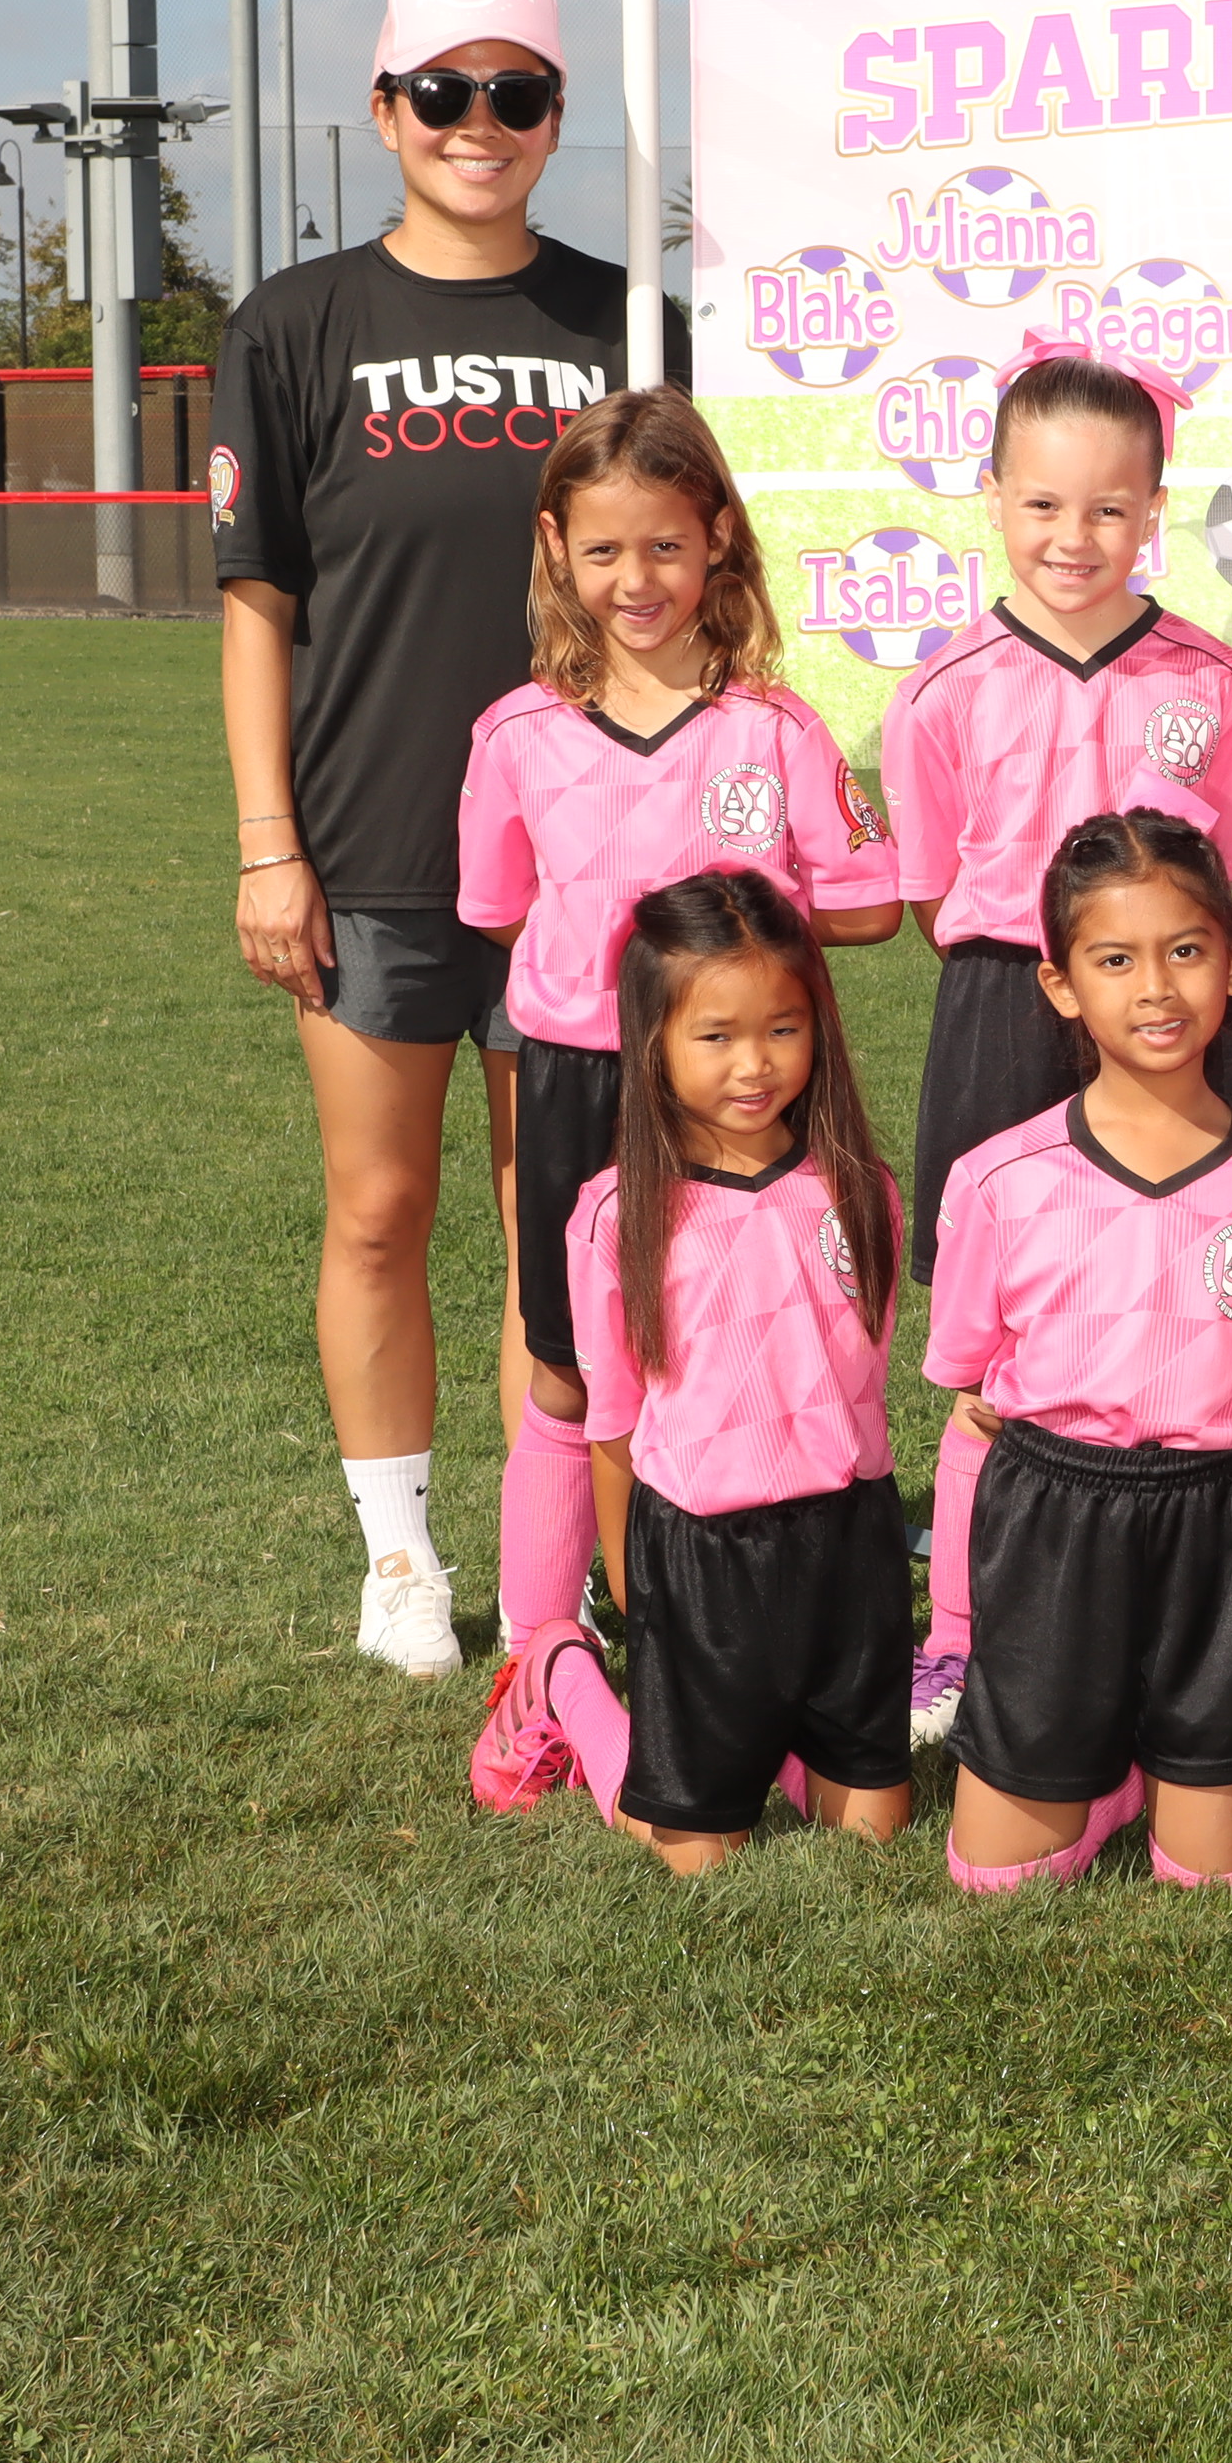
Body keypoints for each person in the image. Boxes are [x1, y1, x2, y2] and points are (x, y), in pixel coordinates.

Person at [214, 0, 679, 1679]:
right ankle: (401, 1555)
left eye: (517, 93)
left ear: (557, 115)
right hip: (376, 850)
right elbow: (257, 607)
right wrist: (271, 848)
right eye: (444, 91)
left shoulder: (630, 327)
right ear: (386, 108)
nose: (479, 124)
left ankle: (565, 1565)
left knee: (566, 1231)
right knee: (376, 1208)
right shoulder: (296, 326)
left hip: (596, 866)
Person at [456, 390, 897, 1678]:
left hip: (742, 1094)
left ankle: (750, 1632)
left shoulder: (777, 726)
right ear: (556, 546)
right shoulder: (517, 732)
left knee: (738, 1345)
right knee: (567, 1366)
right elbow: (500, 911)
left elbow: (869, 903)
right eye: (603, 549)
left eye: (665, 545)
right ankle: (542, 1651)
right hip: (581, 1078)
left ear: (717, 540)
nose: (636, 578)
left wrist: (742, 951)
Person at [876, 339, 1232, 1743]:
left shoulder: (1214, 681)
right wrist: (1048, 984)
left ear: (1155, 509)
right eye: (1042, 503)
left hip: (1177, 1015)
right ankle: (959, 1633)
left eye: (1109, 507)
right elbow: (936, 895)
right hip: (1008, 1007)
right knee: (1001, 1352)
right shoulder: (942, 690)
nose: (1074, 535)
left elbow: (1221, 879)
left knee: (1209, 1308)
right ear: (991, 495)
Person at [922, 811, 1232, 1893]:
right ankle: (1104, 1769)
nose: (1156, 988)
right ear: (1060, 985)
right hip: (1055, 1524)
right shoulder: (997, 1180)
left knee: (1215, 1884)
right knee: (995, 1878)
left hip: (1224, 1527)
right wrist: (956, 1617)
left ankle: (1175, 1756)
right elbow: (974, 1396)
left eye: (1186, 950)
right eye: (1115, 960)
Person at [468, 871, 915, 1873]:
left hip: (849, 1549)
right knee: (698, 1858)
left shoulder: (863, 1191)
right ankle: (562, 1674)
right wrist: (634, 1583)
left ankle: (782, 1734)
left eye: (783, 1028)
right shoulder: (617, 1215)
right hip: (702, 1560)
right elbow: (613, 1423)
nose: (755, 1063)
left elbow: (861, 1378)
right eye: (716, 1035)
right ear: (653, 1042)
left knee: (877, 1834)